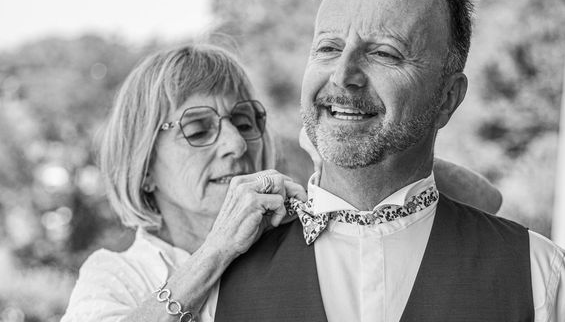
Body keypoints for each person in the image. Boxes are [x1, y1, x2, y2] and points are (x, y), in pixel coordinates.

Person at [215, 0, 565, 322]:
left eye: (384, 53)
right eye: (328, 48)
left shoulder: (541, 279)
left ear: (447, 98)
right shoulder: (219, 276)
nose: (343, 75)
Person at [61, 43, 502, 322]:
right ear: (143, 165)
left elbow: (484, 203)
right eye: (198, 129)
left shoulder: (298, 229)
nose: (236, 143)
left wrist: (346, 153)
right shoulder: (114, 275)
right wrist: (216, 251)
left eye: (245, 120)